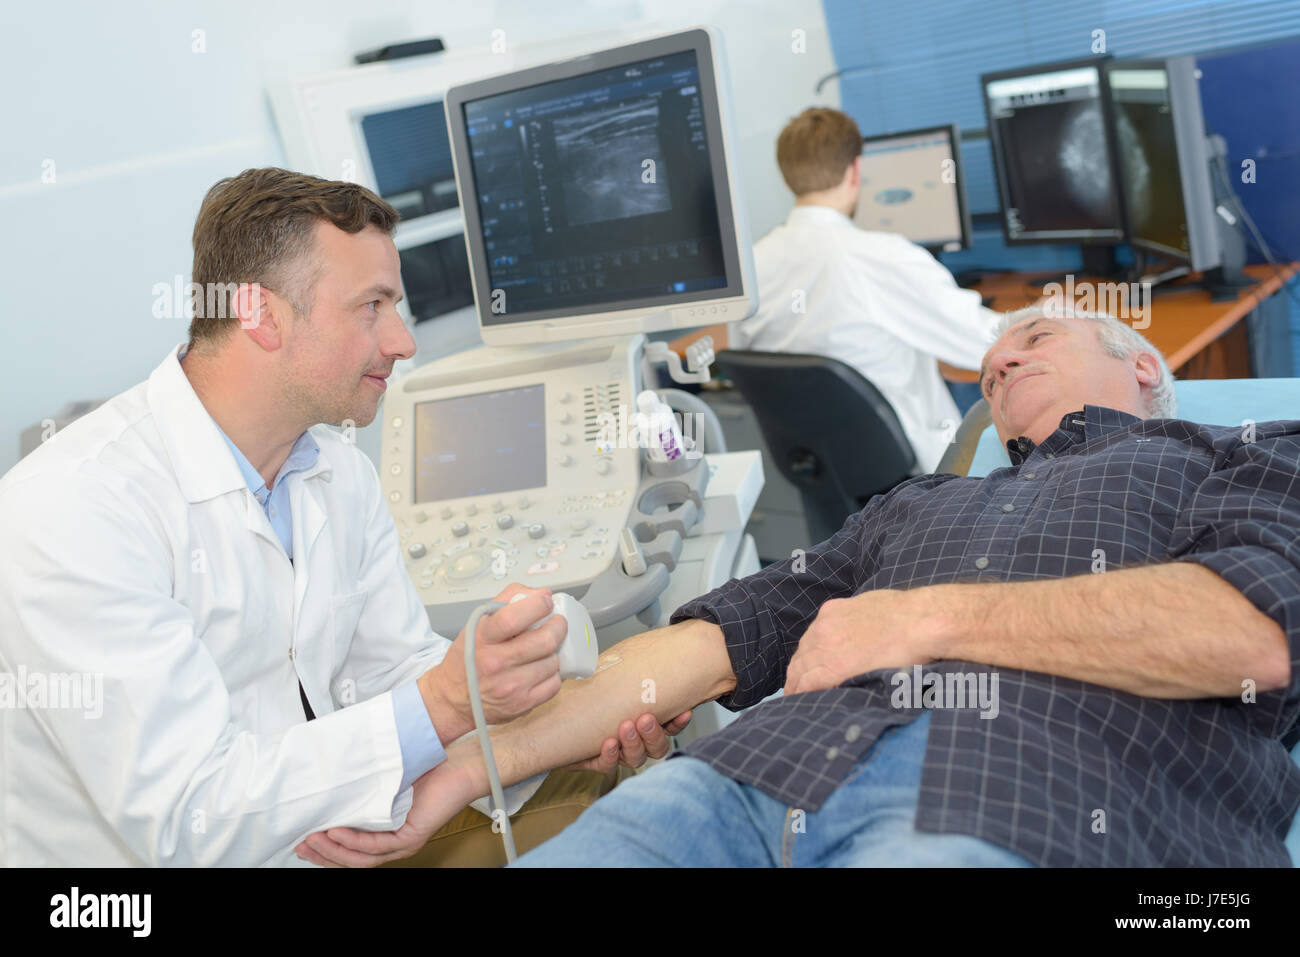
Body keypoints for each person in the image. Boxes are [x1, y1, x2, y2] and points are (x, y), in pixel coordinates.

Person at [305, 305, 1300, 868]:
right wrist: (471, 771)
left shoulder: (1240, 455)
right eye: (989, 369)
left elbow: (1248, 634)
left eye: (1032, 341)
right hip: (740, 790)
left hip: (1027, 804)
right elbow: (703, 647)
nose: (997, 363)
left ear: (1142, 369)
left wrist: (918, 619)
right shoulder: (911, 505)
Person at [0, 168, 682, 867]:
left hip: (328, 830)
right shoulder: (71, 510)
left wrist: (546, 707)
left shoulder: (334, 468)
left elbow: (395, 672)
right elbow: (189, 818)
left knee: (633, 791)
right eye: (372, 306)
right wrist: (446, 699)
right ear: (261, 315)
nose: (403, 340)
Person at [673, 107, 1000, 473]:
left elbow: (737, 344)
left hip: (823, 473)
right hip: (920, 481)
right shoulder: (884, 257)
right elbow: (990, 346)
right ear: (856, 170)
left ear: (787, 180)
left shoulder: (750, 269)